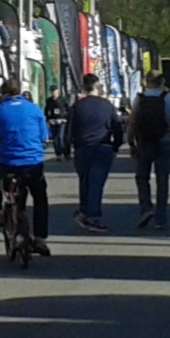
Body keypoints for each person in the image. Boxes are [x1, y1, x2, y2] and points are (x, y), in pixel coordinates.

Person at [0, 79, 52, 255]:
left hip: (8, 162)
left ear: (2, 93)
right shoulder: (35, 109)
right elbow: (44, 136)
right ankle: (40, 237)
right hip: (33, 162)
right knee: (40, 197)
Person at [67, 72, 123, 233]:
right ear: (97, 87)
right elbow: (117, 126)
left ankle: (85, 211)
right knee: (96, 183)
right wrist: (116, 146)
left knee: (85, 181)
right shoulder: (107, 105)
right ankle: (93, 216)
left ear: (84, 88)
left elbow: (69, 129)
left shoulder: (78, 106)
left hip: (82, 148)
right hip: (103, 147)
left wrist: (67, 148)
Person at [129, 71, 170, 231]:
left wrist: (131, 142)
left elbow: (133, 121)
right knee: (162, 179)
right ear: (162, 82)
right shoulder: (169, 98)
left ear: (147, 81)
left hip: (145, 140)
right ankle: (161, 218)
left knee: (142, 176)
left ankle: (146, 208)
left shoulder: (140, 98)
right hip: (165, 139)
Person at [46, 89, 71, 160]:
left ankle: (65, 152)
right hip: (53, 121)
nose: (54, 94)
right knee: (55, 138)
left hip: (62, 121)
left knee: (61, 137)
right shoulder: (49, 101)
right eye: (52, 92)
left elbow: (68, 110)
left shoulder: (63, 100)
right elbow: (47, 110)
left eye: (55, 92)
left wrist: (65, 119)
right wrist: (49, 119)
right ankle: (58, 153)